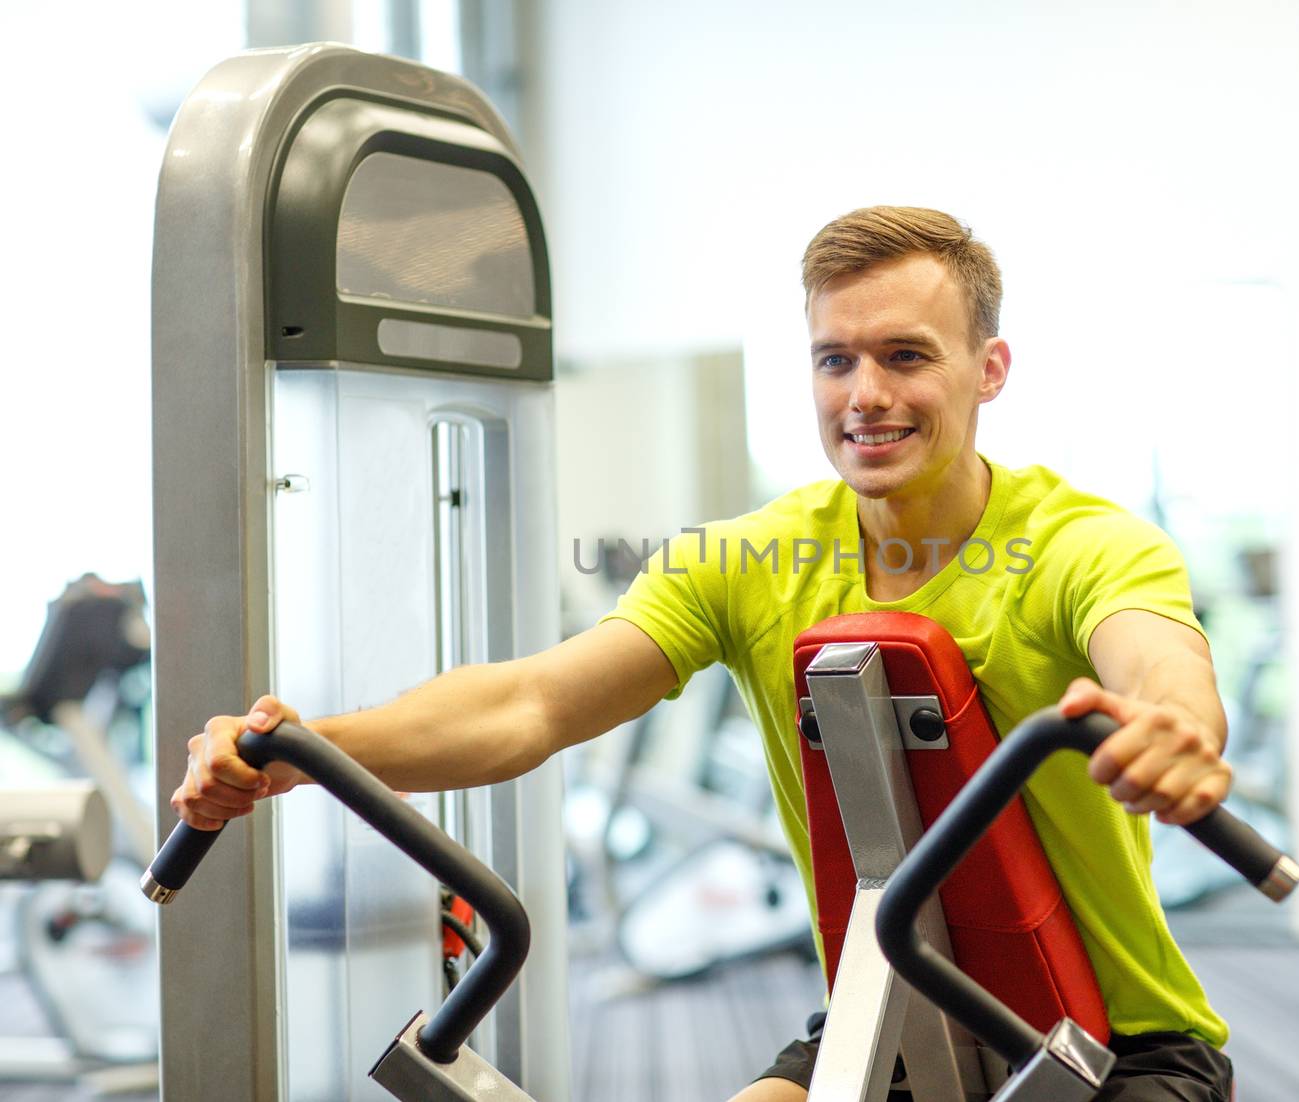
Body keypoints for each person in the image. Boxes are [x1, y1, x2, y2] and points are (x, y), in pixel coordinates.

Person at [173, 206, 1235, 1101]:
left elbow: (1155, 662)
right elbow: (531, 705)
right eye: (835, 359)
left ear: (988, 368)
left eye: (906, 355)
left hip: (1120, 1042)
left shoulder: (1080, 542)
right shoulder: (748, 559)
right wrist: (303, 749)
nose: (864, 393)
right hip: (890, 1002)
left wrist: (1172, 726)